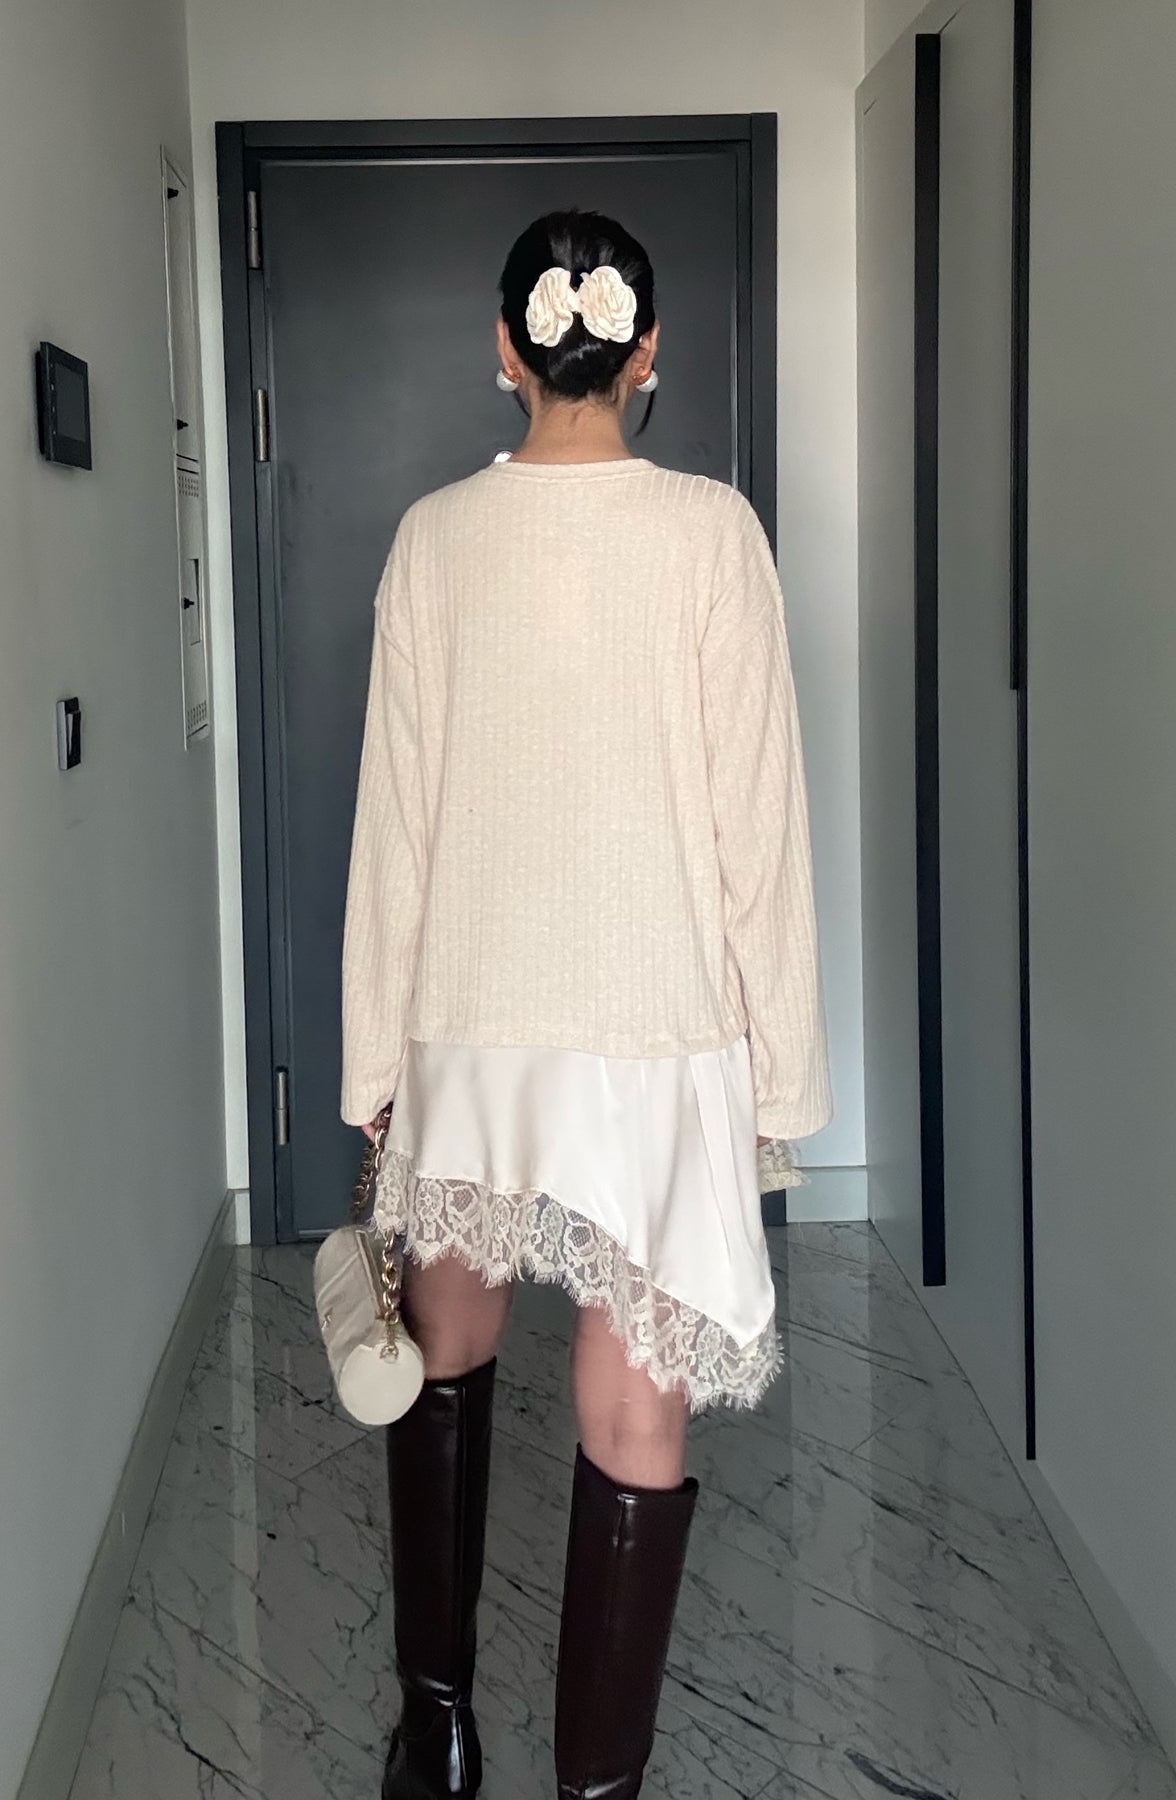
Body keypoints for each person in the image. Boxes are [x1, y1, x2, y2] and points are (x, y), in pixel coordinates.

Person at [340, 208, 831, 1800]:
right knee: (634, 1407)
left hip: (473, 1014)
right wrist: (781, 1086)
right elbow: (760, 832)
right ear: (647, 350)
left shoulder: (432, 540)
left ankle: (438, 1733)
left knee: (446, 1344)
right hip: (657, 1029)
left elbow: (395, 828)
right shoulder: (714, 533)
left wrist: (370, 1063)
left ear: (506, 351)